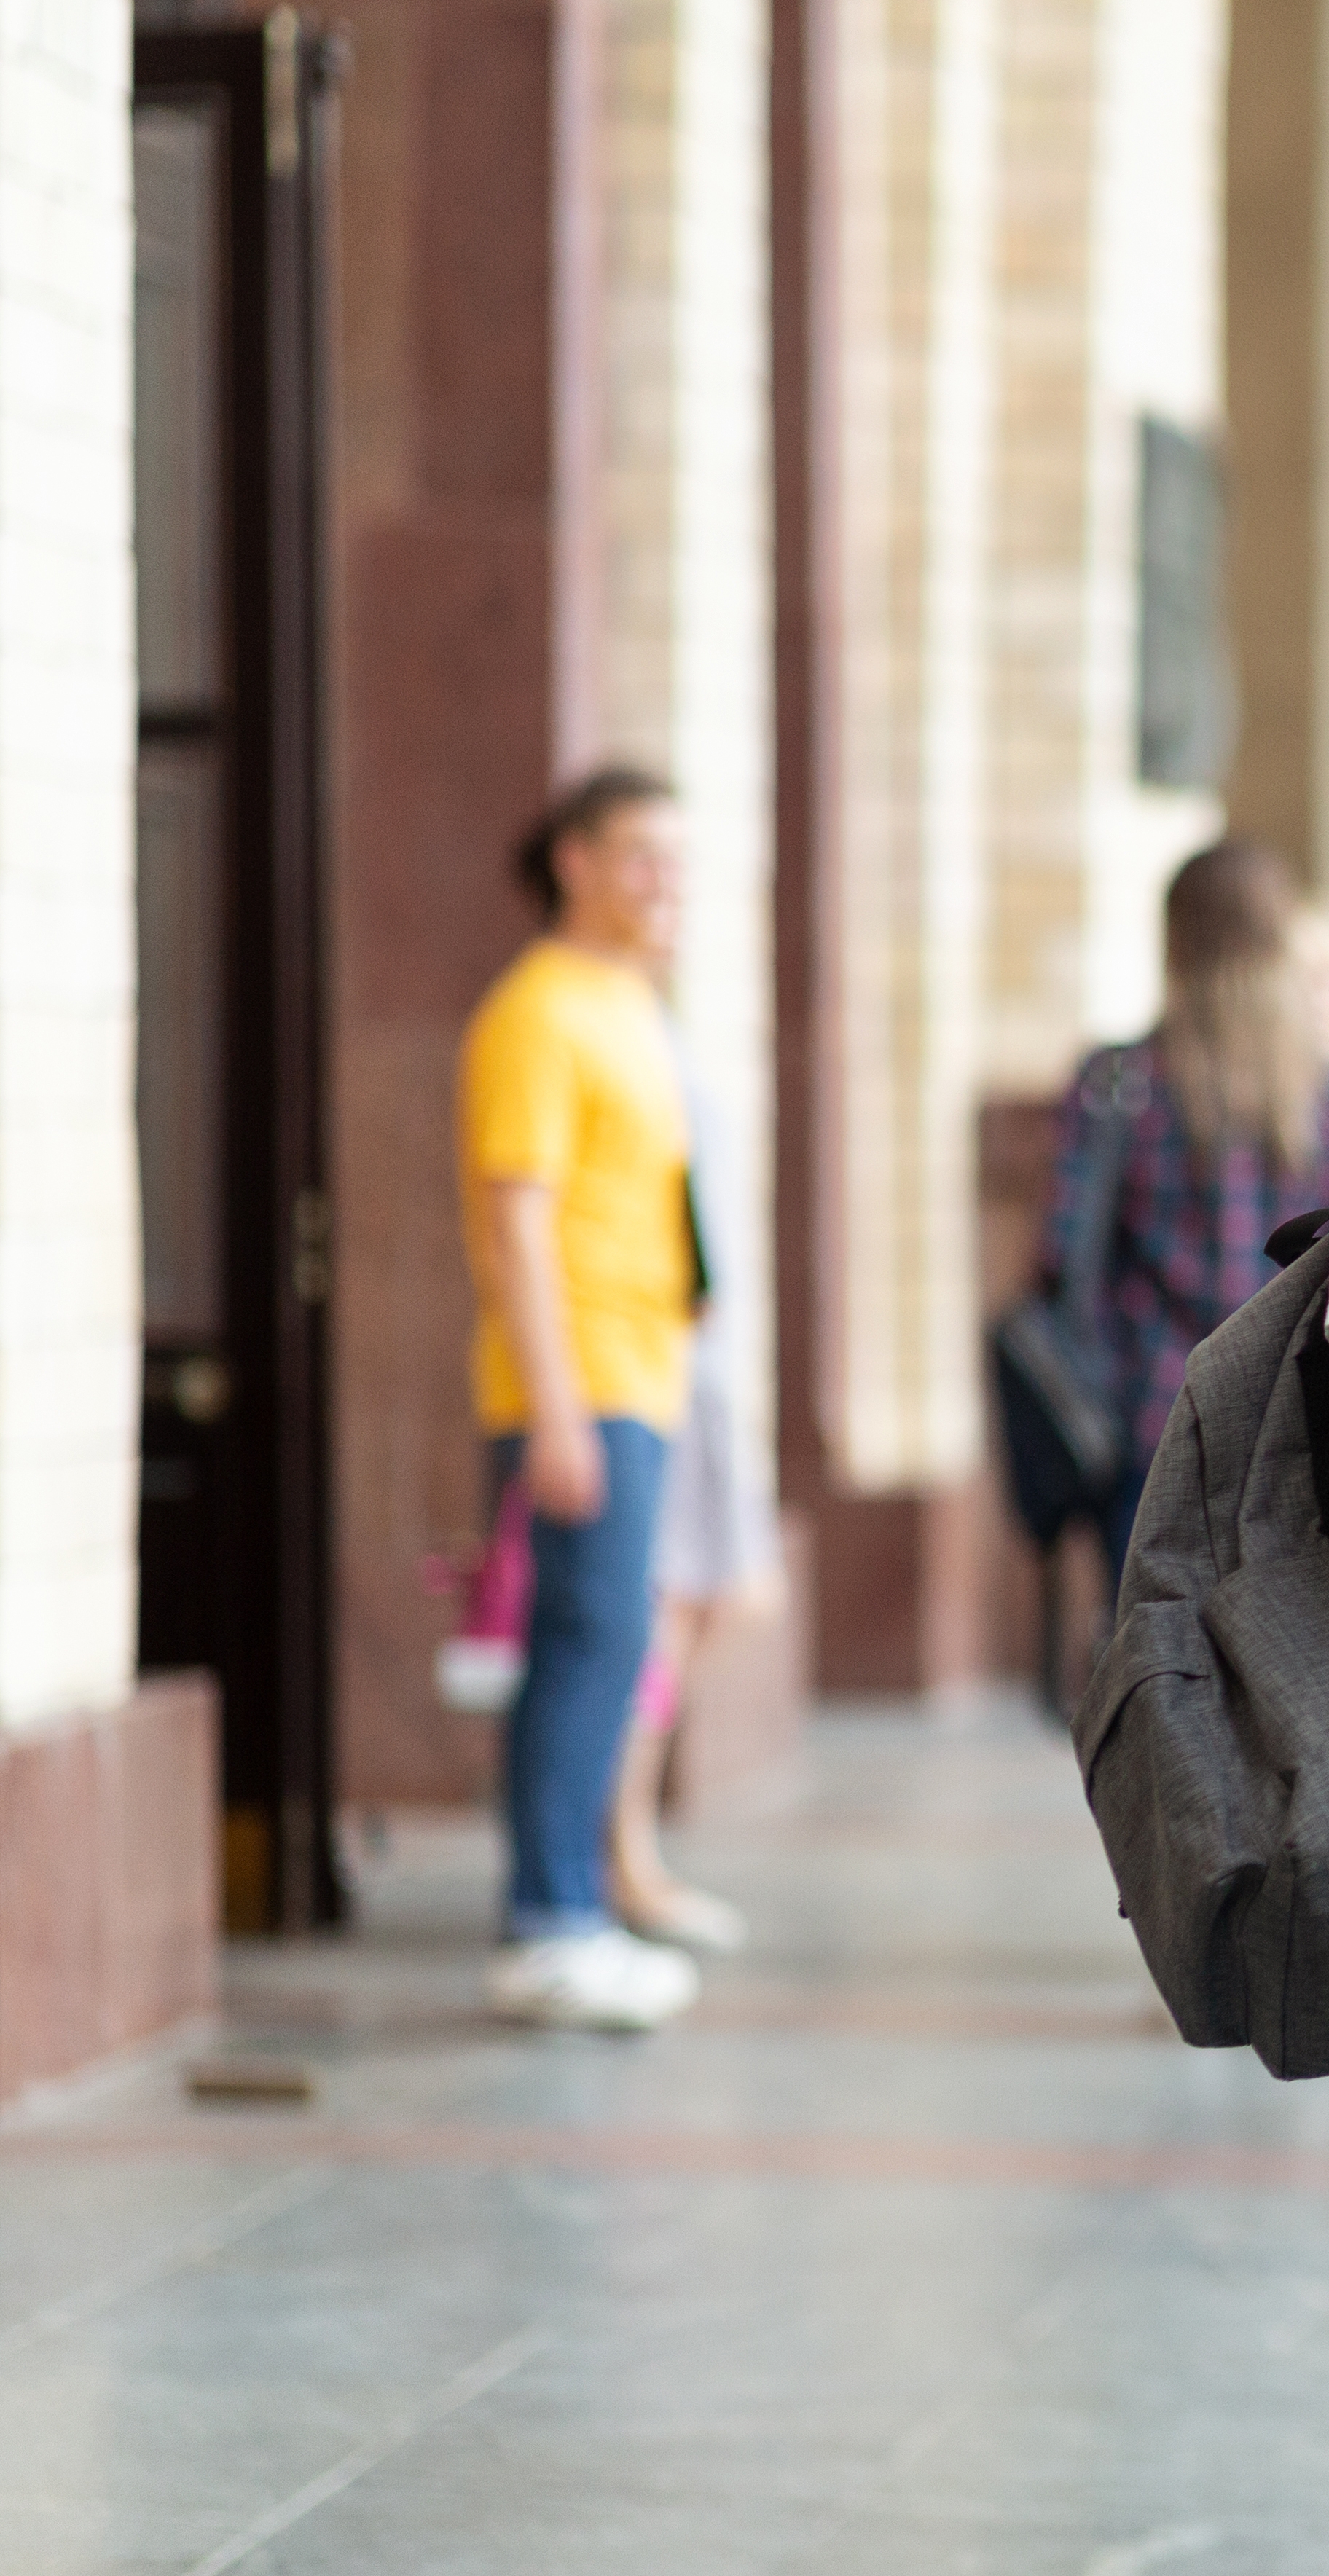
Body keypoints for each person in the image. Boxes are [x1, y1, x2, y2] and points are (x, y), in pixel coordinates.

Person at [456, 766, 705, 2033]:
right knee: (582, 1647)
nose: (667, 882)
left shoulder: (627, 1004)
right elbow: (516, 1216)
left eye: (678, 857)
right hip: (580, 1383)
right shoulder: (538, 1012)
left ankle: (571, 1911)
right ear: (574, 861)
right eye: (640, 856)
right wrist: (553, 1407)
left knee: (606, 1648)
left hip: (637, 1377)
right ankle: (550, 1921)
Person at [1035, 839, 1329, 1591]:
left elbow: (1060, 1261)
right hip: (1297, 1442)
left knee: (1155, 1674)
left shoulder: (1117, 1083)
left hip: (1151, 1431)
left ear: (1173, 941)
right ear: (1283, 940)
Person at [605, 1045, 773, 1960]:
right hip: (660, 1364)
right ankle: (625, 1847)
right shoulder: (614, 1038)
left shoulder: (653, 1031)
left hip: (700, 1364)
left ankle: (625, 1833)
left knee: (726, 1598)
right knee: (659, 1610)